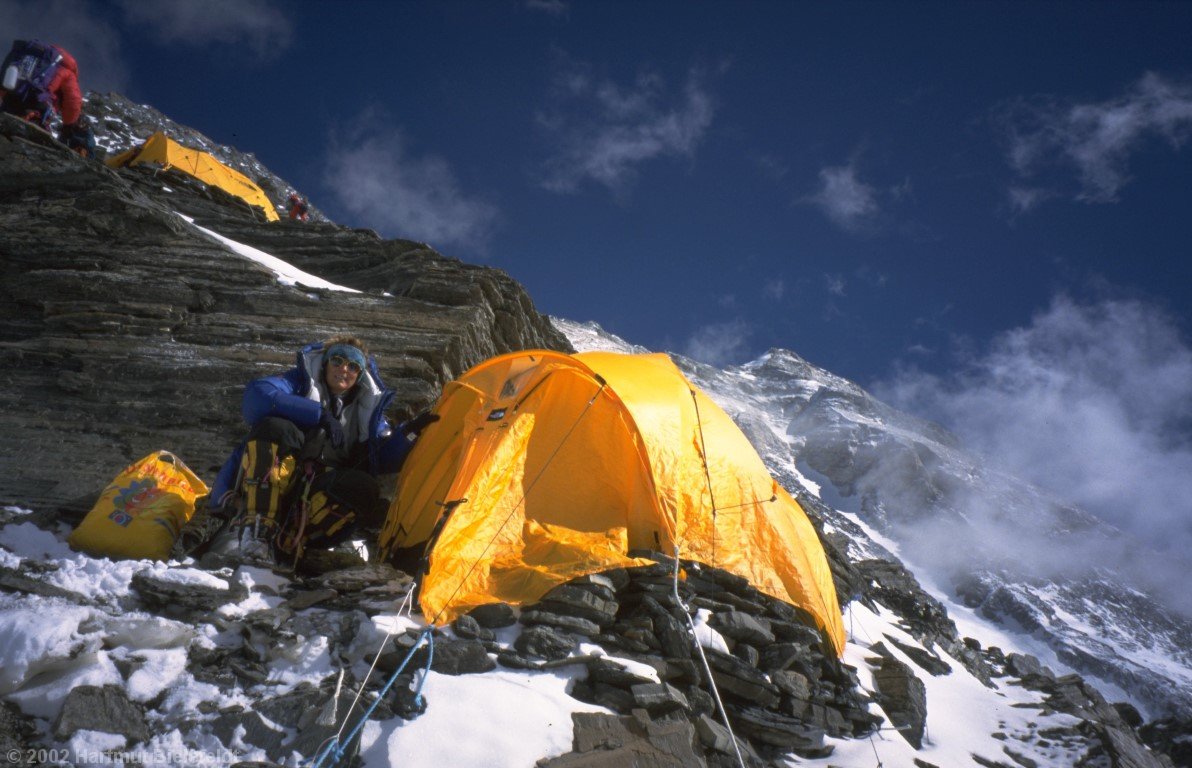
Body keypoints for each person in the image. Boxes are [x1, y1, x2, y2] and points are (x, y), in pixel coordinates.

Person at [193, 336, 436, 567]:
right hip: (277, 479)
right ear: (326, 363)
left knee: (364, 486)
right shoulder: (298, 383)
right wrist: (318, 414)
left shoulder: (366, 413)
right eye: (338, 360)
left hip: (317, 490)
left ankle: (289, 542)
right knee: (277, 428)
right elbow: (257, 397)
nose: (344, 369)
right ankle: (256, 531)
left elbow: (382, 456)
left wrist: (409, 434)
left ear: (360, 376)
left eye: (353, 366)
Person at [0, 39, 94, 157]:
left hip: (10, 97)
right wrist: (69, 124)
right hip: (38, 103)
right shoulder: (68, 70)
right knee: (36, 128)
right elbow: (73, 101)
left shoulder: (27, 55)